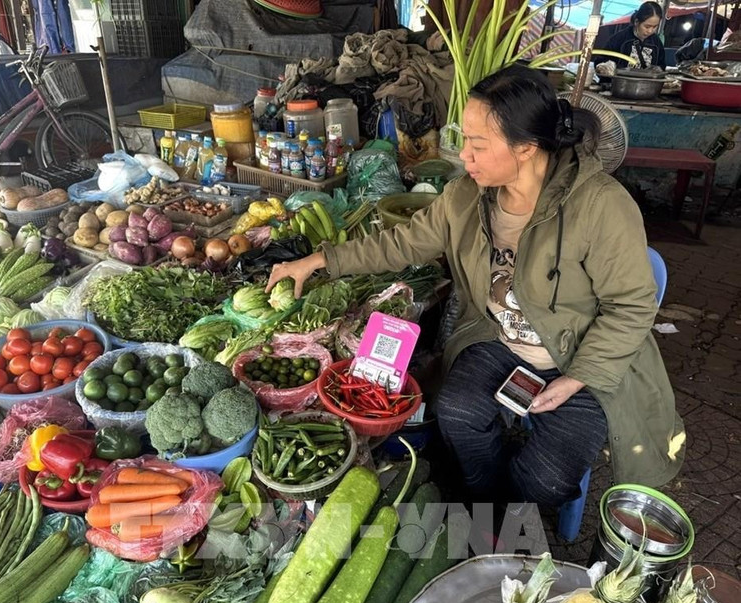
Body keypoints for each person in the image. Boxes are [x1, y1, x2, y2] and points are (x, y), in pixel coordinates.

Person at [266, 65, 685, 509]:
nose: (464, 156)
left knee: (545, 479)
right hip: (499, 340)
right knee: (457, 415)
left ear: (525, 147)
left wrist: (579, 377)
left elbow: (632, 307)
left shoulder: (600, 205)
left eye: (478, 145)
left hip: (580, 358)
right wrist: (319, 260)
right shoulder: (465, 197)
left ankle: (512, 511)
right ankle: (491, 507)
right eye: (464, 140)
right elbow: (402, 243)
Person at [596, 1, 666, 70]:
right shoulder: (619, 39)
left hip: (646, 81)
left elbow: (662, 65)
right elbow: (600, 61)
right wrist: (606, 66)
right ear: (636, 22)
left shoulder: (656, 43)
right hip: (620, 81)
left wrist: (658, 69)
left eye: (654, 27)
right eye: (647, 27)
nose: (650, 31)